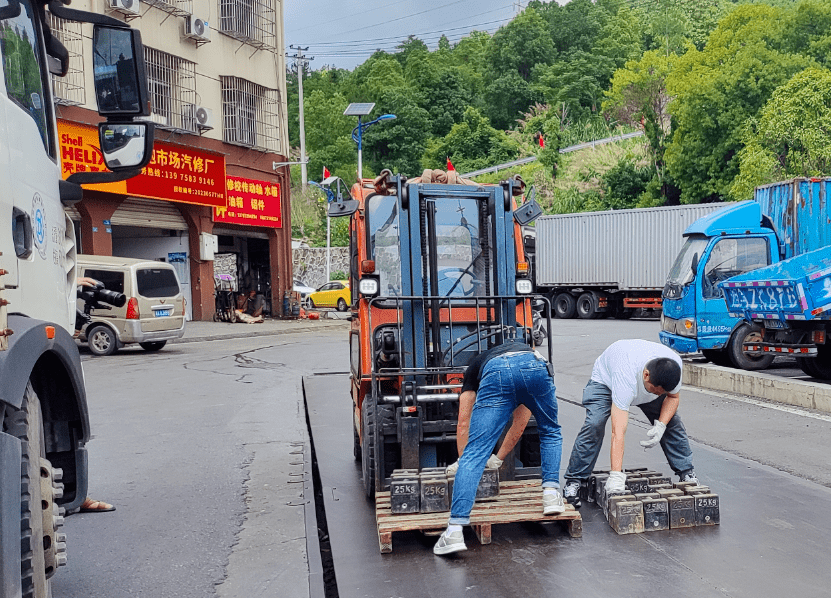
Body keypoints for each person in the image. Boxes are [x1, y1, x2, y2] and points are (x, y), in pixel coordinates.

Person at [433, 341, 564, 556]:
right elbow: (519, 423)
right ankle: (550, 495)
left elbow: (464, 421)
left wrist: (462, 460)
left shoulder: (475, 365)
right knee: (550, 430)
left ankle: (455, 530)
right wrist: (499, 458)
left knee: (475, 453)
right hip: (535, 367)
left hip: (496, 375)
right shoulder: (524, 348)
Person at [562, 339, 697, 508]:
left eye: (661, 391)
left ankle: (687, 472)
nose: (658, 394)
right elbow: (618, 432)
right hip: (606, 383)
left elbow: (673, 397)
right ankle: (574, 481)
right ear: (646, 375)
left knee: (672, 423)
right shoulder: (625, 375)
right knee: (594, 424)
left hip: (640, 384)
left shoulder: (673, 366)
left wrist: (661, 424)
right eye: (656, 390)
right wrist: (616, 475)